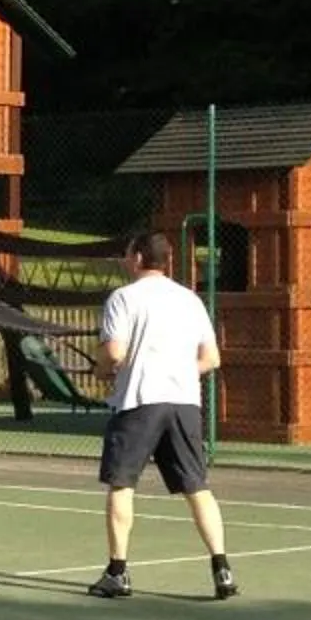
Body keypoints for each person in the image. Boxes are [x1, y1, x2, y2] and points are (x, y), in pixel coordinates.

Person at [88, 231, 236, 600]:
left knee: (121, 485)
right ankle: (223, 569)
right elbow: (211, 359)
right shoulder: (190, 300)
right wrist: (178, 373)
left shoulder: (123, 297)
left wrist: (101, 367)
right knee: (197, 486)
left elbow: (115, 353)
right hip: (184, 403)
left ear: (138, 258)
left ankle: (117, 573)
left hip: (140, 403)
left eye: (127, 253)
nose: (125, 259)